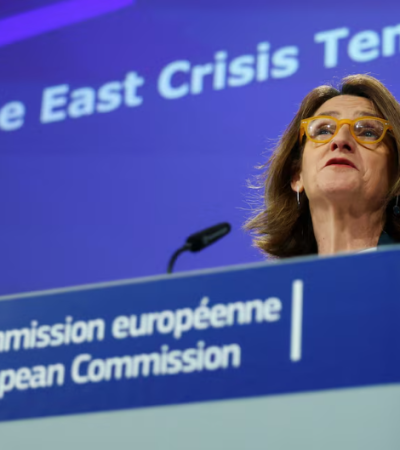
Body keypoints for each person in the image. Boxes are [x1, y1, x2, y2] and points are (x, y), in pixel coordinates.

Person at [246, 74, 400, 257]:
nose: (340, 140)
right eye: (323, 131)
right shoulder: (280, 277)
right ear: (296, 175)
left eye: (367, 132)